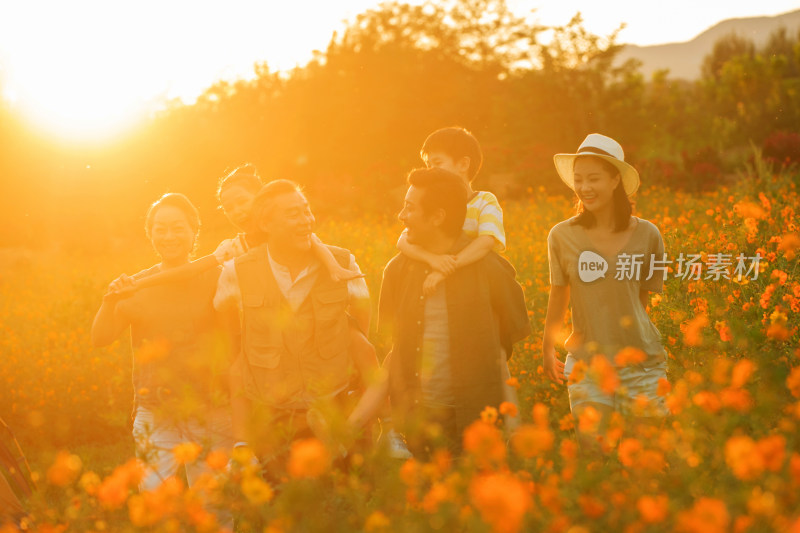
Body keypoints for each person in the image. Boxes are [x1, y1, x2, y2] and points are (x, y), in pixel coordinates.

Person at [213, 180, 387, 474]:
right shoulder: (236, 271)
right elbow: (229, 327)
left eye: (306, 211)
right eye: (294, 214)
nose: (306, 220)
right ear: (266, 223)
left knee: (346, 501)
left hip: (335, 409)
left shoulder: (343, 263)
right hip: (273, 419)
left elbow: (362, 316)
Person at [378, 167, 530, 457]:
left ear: (437, 217)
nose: (401, 215)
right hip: (418, 425)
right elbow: (393, 351)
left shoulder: (490, 270)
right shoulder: (397, 271)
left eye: (410, 207)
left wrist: (513, 423)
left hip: (478, 425)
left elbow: (501, 348)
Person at [90, 193, 233, 495]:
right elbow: (100, 338)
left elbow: (235, 343)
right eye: (161, 228)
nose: (169, 236)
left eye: (178, 227)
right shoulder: (138, 285)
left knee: (212, 506)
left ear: (195, 230)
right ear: (151, 233)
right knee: (154, 505)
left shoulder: (217, 277)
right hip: (154, 411)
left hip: (210, 410)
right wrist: (109, 301)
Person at [542, 133, 669, 454]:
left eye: (593, 179)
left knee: (646, 459)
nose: (584, 188)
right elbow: (558, 295)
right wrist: (547, 347)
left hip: (641, 364)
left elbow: (640, 301)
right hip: (586, 364)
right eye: (579, 179)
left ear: (615, 181)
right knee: (593, 456)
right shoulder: (561, 236)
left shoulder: (648, 234)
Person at [397, 127, 506, 296]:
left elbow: (486, 241)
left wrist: (446, 268)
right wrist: (432, 259)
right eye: (428, 165)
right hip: (434, 283)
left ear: (463, 164)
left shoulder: (484, 201)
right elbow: (403, 241)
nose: (431, 170)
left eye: (437, 163)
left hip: (475, 284)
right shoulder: (434, 205)